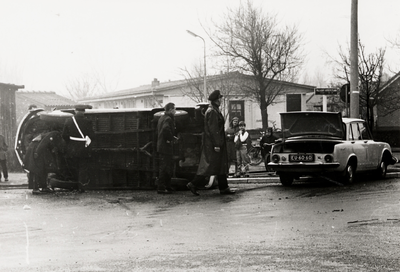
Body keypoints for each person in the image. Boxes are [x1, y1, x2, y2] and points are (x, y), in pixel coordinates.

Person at [186, 90, 236, 196]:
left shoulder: (213, 110)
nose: (221, 100)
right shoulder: (212, 111)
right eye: (220, 98)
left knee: (220, 166)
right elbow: (214, 130)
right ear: (217, 100)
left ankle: (224, 187)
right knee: (209, 166)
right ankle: (193, 183)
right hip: (214, 144)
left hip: (215, 143)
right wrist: (217, 144)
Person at [62, 104, 95, 192]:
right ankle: (82, 186)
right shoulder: (88, 121)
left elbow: (64, 135)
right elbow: (92, 135)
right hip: (83, 147)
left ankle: (74, 185)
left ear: (75, 111)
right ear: (84, 111)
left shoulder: (68, 121)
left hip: (72, 147)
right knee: (83, 167)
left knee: (74, 166)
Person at [156, 102, 178, 194]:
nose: (175, 111)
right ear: (170, 110)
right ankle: (162, 187)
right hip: (166, 146)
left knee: (166, 167)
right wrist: (171, 138)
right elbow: (165, 129)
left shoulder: (162, 117)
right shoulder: (169, 119)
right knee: (165, 167)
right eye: (174, 109)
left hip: (161, 145)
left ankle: (167, 186)